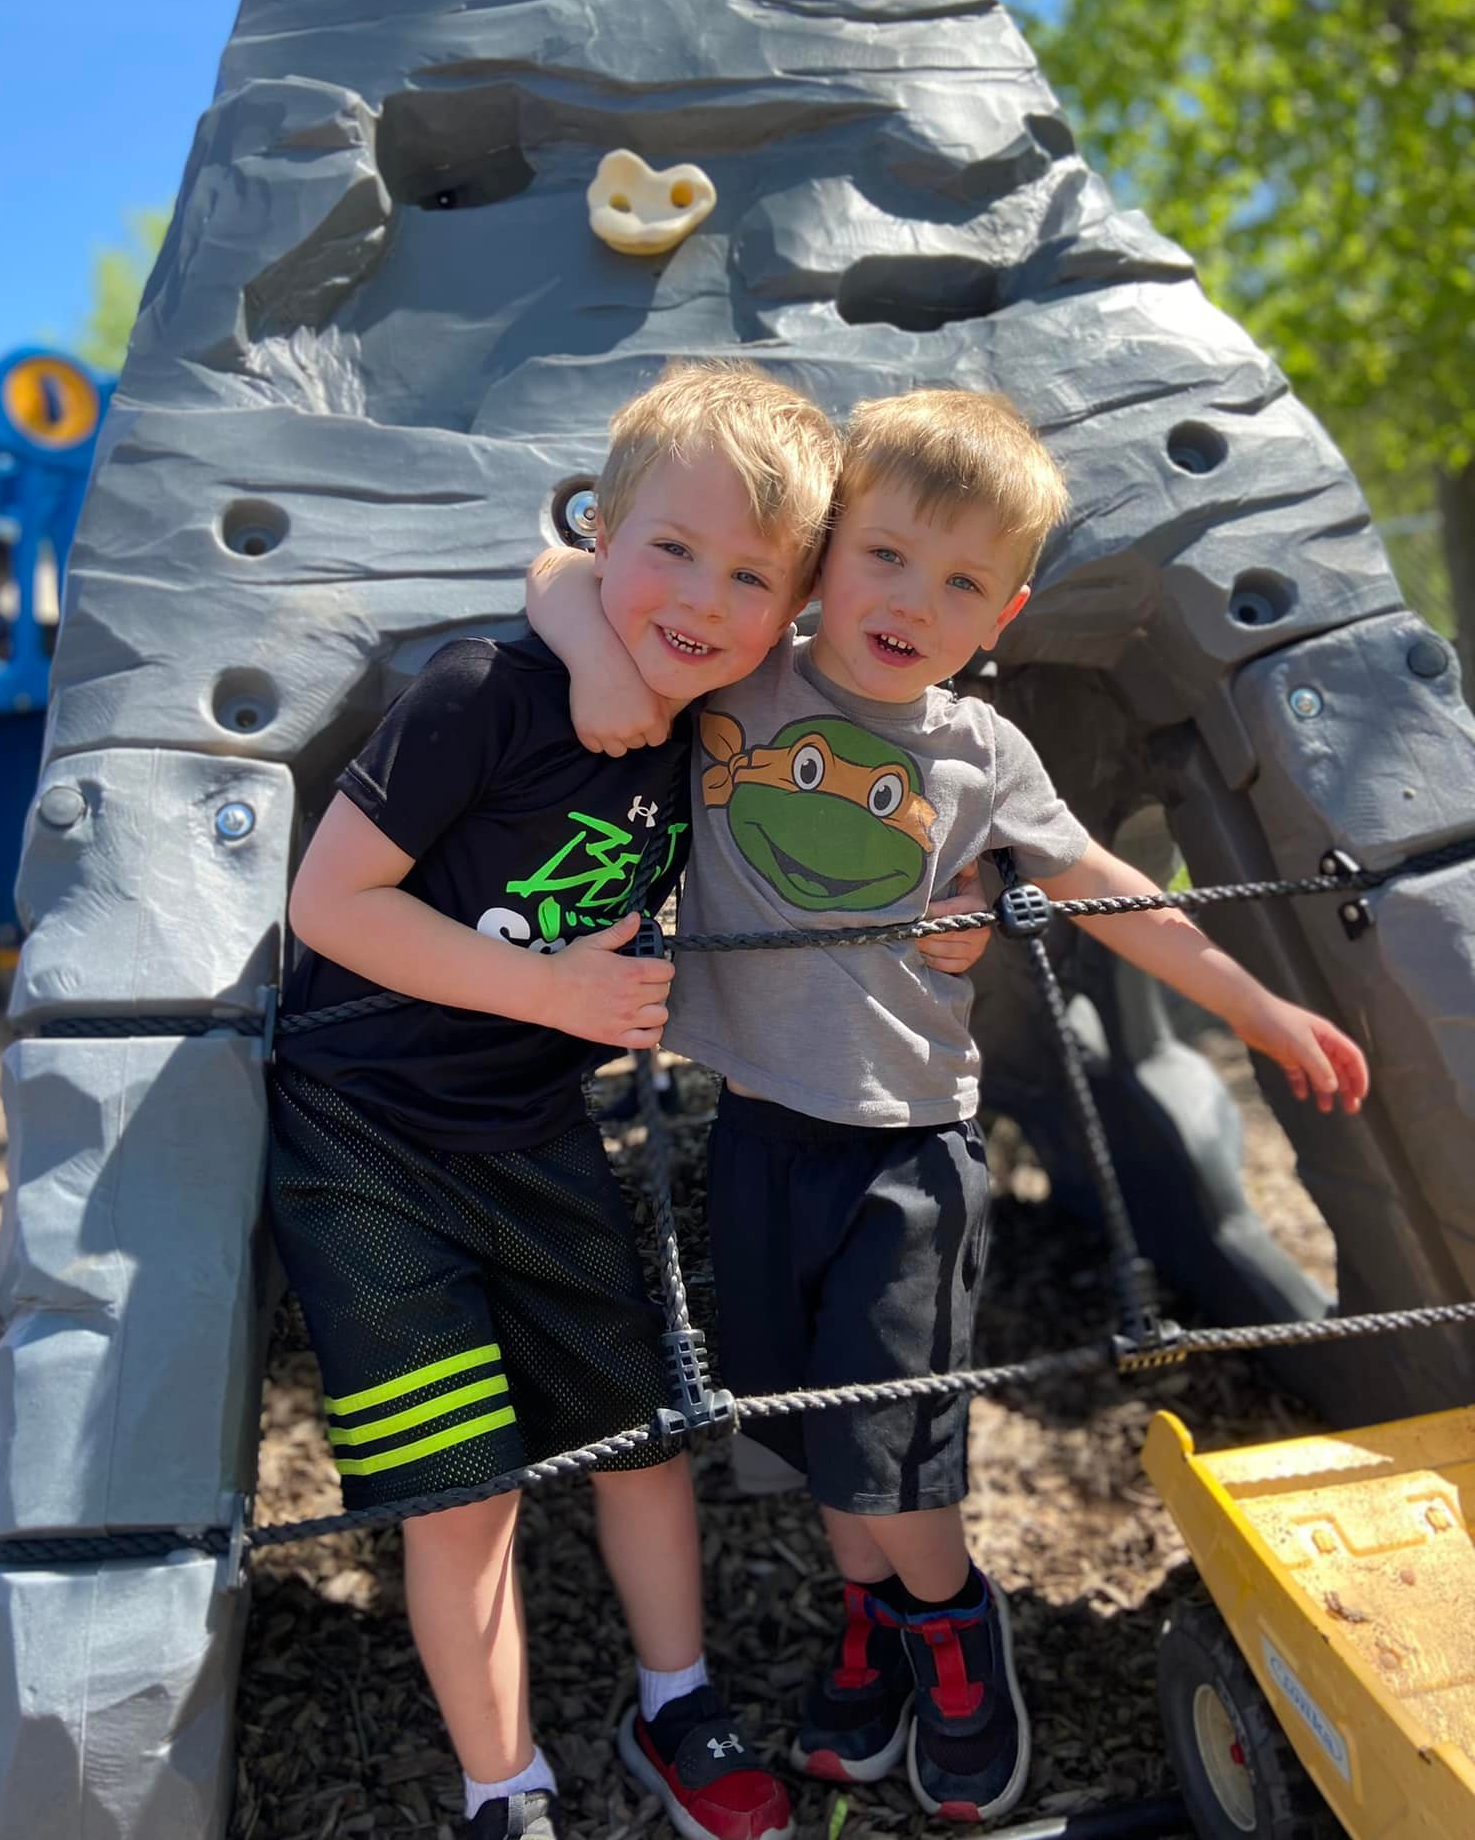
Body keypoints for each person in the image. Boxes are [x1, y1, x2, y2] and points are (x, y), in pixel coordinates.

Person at [525, 385, 1370, 1825]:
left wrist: (1252, 1001)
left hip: (906, 1148)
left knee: (896, 1450)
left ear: (1009, 614)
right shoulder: (743, 678)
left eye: (963, 581)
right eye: (888, 557)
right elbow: (563, 563)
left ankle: (955, 1633)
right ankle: (879, 1630)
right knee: (812, 1430)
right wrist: (577, 643)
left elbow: (1107, 886)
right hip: (756, 1131)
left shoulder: (983, 757)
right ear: (824, 554)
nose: (915, 601)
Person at [265, 362, 848, 1840]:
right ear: (606, 534)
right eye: (671, 550)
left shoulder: (720, 730)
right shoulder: (483, 692)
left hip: (535, 1131)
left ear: (790, 610)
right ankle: (500, 1786)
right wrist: (556, 996)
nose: (701, 598)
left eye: (748, 576)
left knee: (643, 1435)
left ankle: (679, 1706)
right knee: (461, 1490)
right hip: (369, 1138)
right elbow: (329, 905)